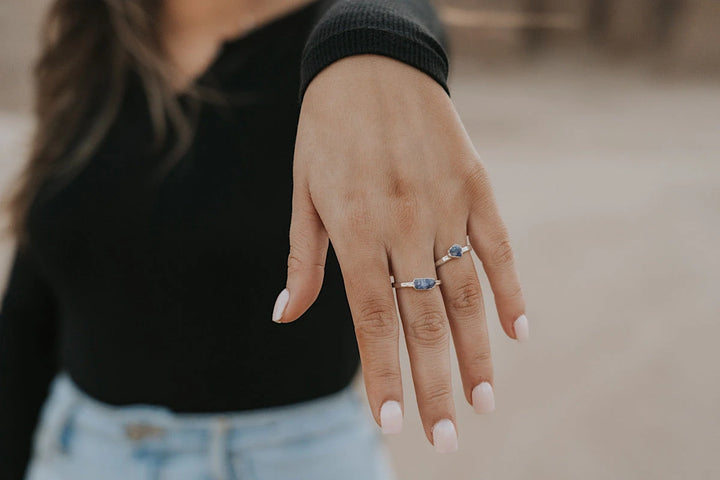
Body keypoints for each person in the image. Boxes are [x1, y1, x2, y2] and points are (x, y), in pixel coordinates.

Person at [0, 0, 529, 478]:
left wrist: (376, 38)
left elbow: (393, 19)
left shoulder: (336, 42)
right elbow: (33, 304)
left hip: (293, 462)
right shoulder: (100, 32)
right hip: (81, 454)